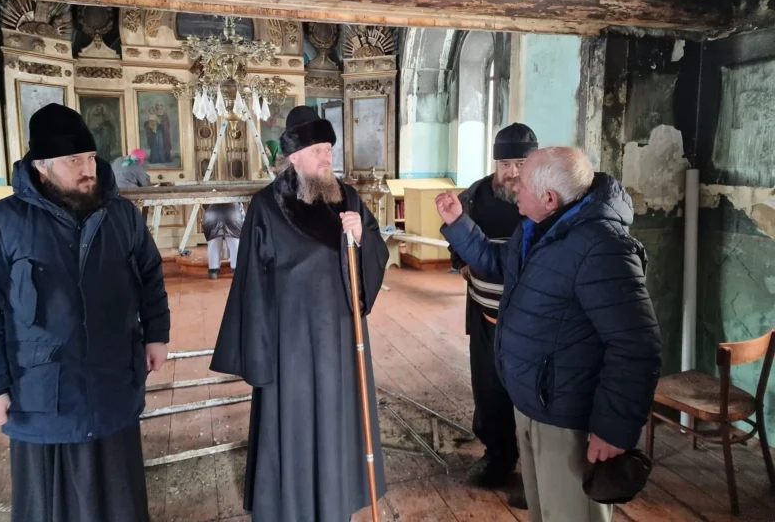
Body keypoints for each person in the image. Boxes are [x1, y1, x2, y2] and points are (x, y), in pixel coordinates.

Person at [436, 147, 661, 522]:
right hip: (534, 403)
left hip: (567, 418)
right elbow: (497, 263)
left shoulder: (603, 248)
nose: (514, 188)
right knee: (544, 513)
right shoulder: (538, 229)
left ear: (549, 198)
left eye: (522, 184)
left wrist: (613, 430)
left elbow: (637, 347)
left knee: (570, 514)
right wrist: (459, 223)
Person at [0, 103, 170, 522]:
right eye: (73, 161)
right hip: (42, 392)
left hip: (113, 379)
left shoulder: (121, 216)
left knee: (119, 493)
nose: (88, 171)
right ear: (42, 168)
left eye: (90, 158)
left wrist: (157, 334)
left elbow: (150, 276)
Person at [210, 105, 389, 522]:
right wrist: (259, 352)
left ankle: (336, 500)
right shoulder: (266, 206)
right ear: (293, 156)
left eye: (328, 149)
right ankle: (293, 507)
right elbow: (252, 284)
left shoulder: (348, 198)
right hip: (290, 342)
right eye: (316, 151)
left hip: (341, 338)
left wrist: (361, 238)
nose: (326, 158)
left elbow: (374, 254)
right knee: (294, 423)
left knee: (338, 421)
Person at [449, 123, 537, 490]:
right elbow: (457, 245)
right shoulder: (473, 198)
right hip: (484, 316)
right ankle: (497, 457)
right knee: (488, 388)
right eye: (505, 164)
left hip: (530, 321)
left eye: (520, 164)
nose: (512, 172)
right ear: (495, 163)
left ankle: (536, 471)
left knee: (529, 391)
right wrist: (462, 265)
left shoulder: (544, 198)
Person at [202, 202, 245, 279]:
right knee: (235, 245)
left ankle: (213, 270)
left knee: (214, 244)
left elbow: (204, 204)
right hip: (233, 214)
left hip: (212, 215)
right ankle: (236, 269)